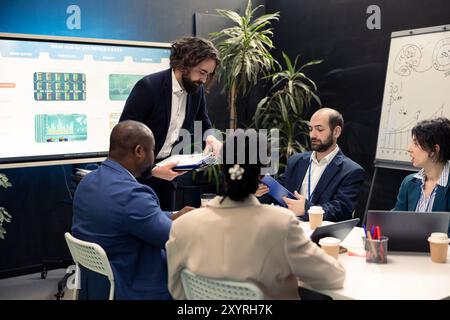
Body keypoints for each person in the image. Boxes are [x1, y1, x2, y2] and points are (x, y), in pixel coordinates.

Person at [166, 129, 345, 300]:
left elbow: (177, 290)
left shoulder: (183, 226)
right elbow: (333, 277)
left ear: (221, 166)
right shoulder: (281, 225)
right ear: (262, 174)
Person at [72, 120, 194, 299]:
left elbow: (136, 218)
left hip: (98, 285)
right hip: (134, 284)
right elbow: (174, 240)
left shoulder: (88, 181)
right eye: (153, 150)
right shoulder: (132, 195)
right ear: (139, 151)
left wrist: (174, 215)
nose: (154, 157)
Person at [119, 36, 222, 211]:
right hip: (137, 177)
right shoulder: (149, 87)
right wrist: (151, 170)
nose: (204, 80)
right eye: (202, 72)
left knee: (166, 232)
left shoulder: (196, 90)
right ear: (183, 64)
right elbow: (123, 140)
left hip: (167, 176)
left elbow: (202, 118)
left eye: (208, 74)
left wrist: (211, 137)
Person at [256, 107, 365, 222]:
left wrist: (307, 209)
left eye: (319, 129)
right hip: (289, 226)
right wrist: (261, 192)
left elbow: (341, 209)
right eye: (310, 129)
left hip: (323, 233)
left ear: (336, 132)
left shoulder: (351, 171)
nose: (313, 135)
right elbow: (279, 191)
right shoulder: (296, 161)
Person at [394, 117, 450, 235]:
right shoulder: (409, 182)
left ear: (434, 150)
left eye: (416, 144)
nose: (409, 149)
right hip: (409, 249)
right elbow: (396, 219)